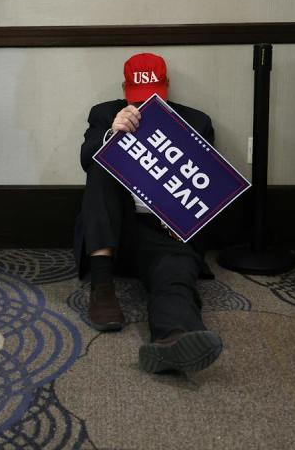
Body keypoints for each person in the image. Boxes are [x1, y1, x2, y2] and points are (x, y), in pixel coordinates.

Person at [76, 53, 223, 374]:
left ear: (167, 87)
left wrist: (184, 220)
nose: (145, 105)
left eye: (154, 95)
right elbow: (86, 158)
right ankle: (102, 290)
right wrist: (111, 136)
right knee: (101, 166)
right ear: (124, 89)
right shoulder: (105, 113)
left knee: (175, 275)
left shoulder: (197, 122)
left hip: (162, 232)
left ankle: (173, 340)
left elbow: (206, 187)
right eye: (139, 97)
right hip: (112, 234)